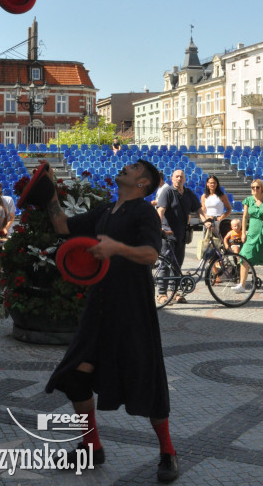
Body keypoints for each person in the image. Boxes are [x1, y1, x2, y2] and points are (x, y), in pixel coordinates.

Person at [44, 159, 179, 483]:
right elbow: (62, 226)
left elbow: (150, 254)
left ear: (143, 182)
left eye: (132, 168)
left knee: (148, 381)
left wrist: (116, 247)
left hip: (133, 310)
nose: (125, 169)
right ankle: (92, 447)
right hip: (100, 307)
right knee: (75, 377)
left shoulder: (143, 212)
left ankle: (168, 453)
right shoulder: (107, 211)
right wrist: (47, 189)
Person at [157, 169, 208, 305]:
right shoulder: (167, 192)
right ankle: (162, 294)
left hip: (181, 235)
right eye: (177, 176)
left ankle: (176, 293)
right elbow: (160, 210)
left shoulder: (188, 193)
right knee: (165, 266)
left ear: (185, 179)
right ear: (172, 178)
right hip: (168, 235)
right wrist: (158, 227)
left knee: (178, 266)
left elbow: (198, 209)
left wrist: (206, 221)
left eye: (181, 177)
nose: (179, 179)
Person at [200, 174, 232, 239]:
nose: (212, 185)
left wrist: (222, 217)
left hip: (218, 221)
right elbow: (203, 210)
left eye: (214, 183)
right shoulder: (204, 196)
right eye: (211, 183)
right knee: (207, 242)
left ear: (217, 184)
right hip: (208, 221)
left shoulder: (222, 196)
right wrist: (206, 218)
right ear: (207, 184)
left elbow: (229, 209)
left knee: (220, 241)